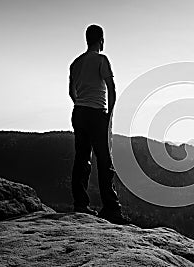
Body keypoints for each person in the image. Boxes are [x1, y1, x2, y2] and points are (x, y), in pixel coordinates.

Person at [69, 24, 127, 224]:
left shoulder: (75, 63)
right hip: (97, 113)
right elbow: (111, 88)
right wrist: (108, 115)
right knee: (104, 161)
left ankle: (81, 205)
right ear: (101, 40)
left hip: (79, 112)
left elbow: (71, 92)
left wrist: (81, 104)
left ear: (87, 40)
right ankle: (111, 209)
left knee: (82, 158)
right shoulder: (102, 60)